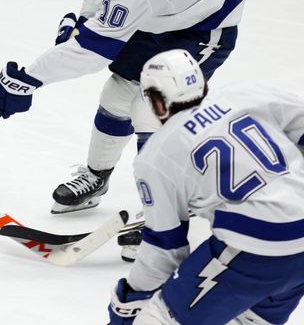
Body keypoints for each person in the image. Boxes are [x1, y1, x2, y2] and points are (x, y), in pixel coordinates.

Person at [0, 0, 247, 216]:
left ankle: (163, 208)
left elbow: (92, 52)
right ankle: (97, 178)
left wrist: (28, 78)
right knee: (116, 97)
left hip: (204, 29)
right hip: (161, 19)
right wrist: (81, 24)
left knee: (150, 105)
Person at [107, 49, 304, 325]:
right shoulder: (245, 93)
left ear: (157, 102)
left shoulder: (156, 155)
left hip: (256, 247)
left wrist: (130, 300)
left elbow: (164, 250)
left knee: (160, 317)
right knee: (251, 319)